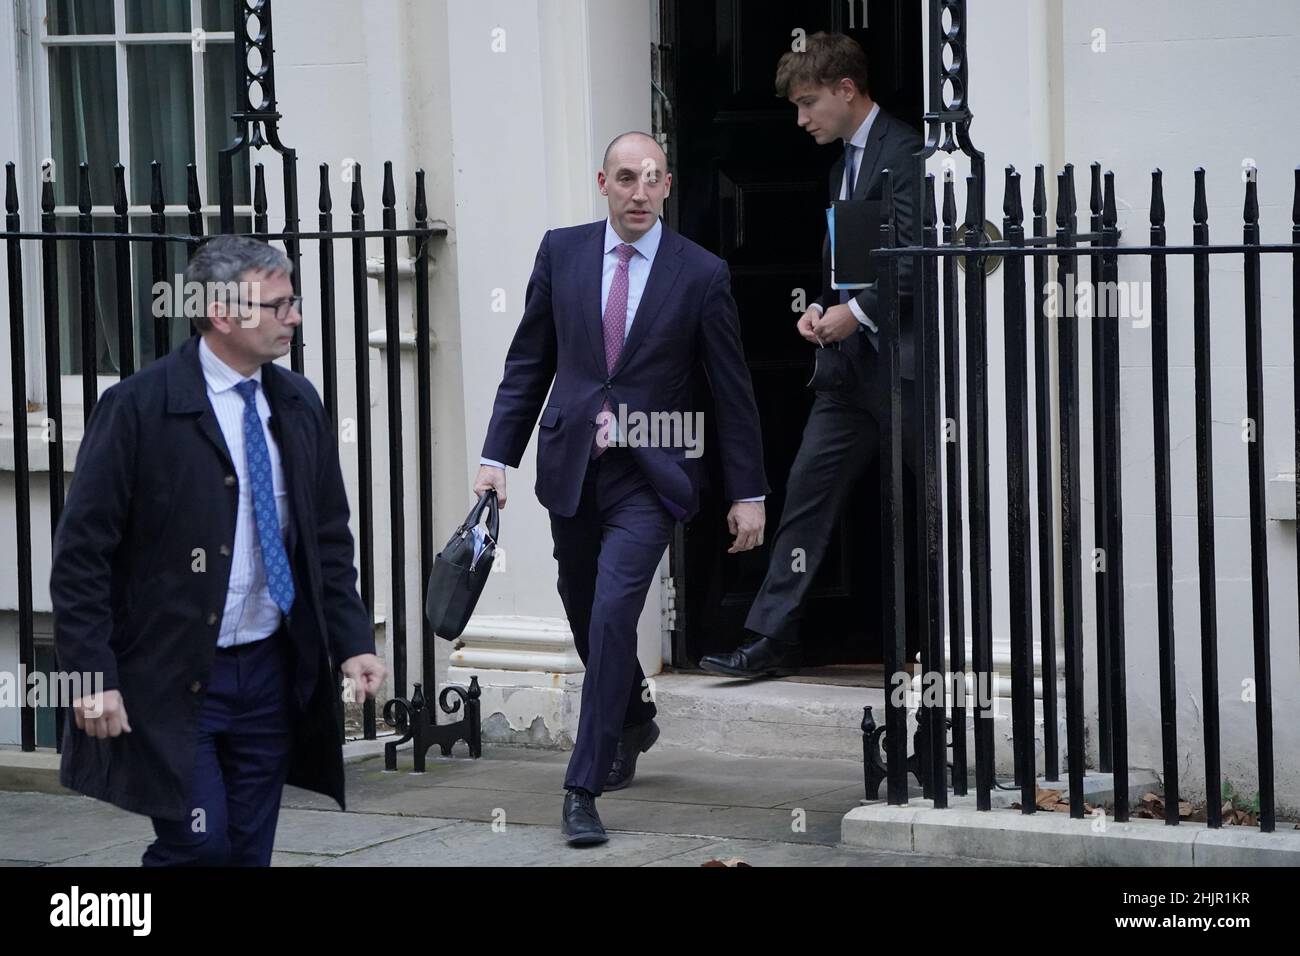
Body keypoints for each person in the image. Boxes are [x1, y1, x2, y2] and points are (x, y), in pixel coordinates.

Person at [51, 235, 385, 866]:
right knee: (199, 846)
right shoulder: (137, 409)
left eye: (295, 302)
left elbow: (326, 541)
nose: (295, 317)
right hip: (173, 674)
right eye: (279, 305)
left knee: (247, 850)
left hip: (268, 669)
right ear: (224, 314)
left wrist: (352, 641)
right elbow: (81, 559)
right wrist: (92, 676)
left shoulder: (295, 403)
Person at [475, 131, 768, 845]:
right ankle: (634, 715)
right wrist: (495, 458)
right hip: (573, 466)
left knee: (612, 615)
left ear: (669, 187)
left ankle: (583, 785)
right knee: (581, 606)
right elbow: (529, 363)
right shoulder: (562, 252)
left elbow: (731, 392)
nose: (640, 191)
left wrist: (748, 491)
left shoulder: (700, 274)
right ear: (601, 183)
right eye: (626, 177)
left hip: (651, 475)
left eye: (653, 178)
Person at [700, 31, 923, 680]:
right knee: (804, 497)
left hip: (910, 373)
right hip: (849, 376)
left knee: (943, 506)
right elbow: (852, 262)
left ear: (846, 91)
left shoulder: (906, 153)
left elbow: (914, 264)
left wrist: (853, 314)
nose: (800, 119)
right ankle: (771, 638)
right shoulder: (840, 166)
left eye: (807, 103)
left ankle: (958, 641)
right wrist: (825, 309)